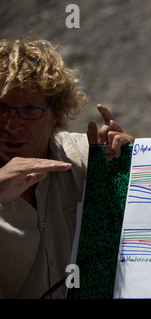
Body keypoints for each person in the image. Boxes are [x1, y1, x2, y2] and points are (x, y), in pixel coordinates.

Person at [0, 39, 134, 298]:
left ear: (56, 113)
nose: (11, 126)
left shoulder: (87, 158)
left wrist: (132, 163)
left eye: (29, 110)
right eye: (1, 109)